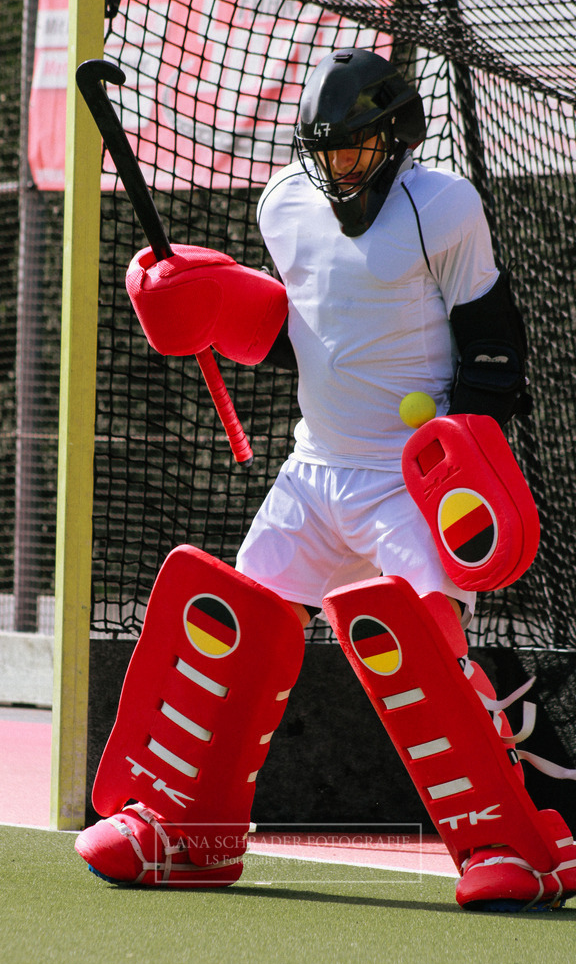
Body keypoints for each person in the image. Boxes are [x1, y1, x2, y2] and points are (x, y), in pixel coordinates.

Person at [75, 47, 576, 912]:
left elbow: (494, 345)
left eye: (352, 148)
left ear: (393, 138)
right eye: (324, 150)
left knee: (438, 656)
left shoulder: (444, 206)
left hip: (405, 482)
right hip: (312, 473)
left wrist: (472, 447)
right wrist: (209, 303)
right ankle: (182, 830)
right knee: (224, 634)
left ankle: (520, 840)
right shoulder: (282, 202)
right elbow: (301, 332)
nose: (337, 166)